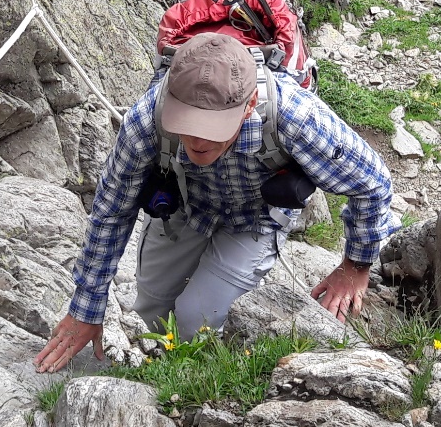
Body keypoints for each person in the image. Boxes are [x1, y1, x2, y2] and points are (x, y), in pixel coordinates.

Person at [34, 31, 395, 373]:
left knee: (195, 322)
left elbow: (372, 182)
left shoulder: (295, 117)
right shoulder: (146, 120)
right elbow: (112, 211)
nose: (197, 138)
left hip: (255, 219)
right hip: (184, 207)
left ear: (249, 102)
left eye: (213, 125)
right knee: (150, 313)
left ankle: (193, 391)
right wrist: (87, 309)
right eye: (187, 122)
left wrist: (355, 266)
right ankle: (161, 372)